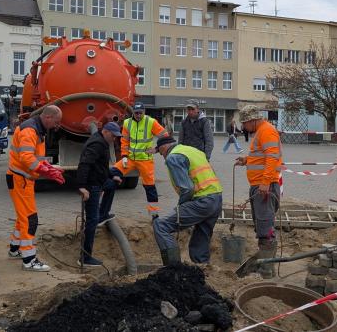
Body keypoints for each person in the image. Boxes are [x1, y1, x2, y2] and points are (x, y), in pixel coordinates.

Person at [7, 105, 65, 271]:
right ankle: (29, 260)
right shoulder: (30, 131)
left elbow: (36, 158)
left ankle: (14, 249)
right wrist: (47, 171)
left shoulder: (38, 129)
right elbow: (27, 158)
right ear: (48, 117)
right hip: (20, 180)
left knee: (22, 217)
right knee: (30, 219)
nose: (57, 126)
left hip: (21, 179)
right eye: (56, 122)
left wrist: (49, 167)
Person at [152, 136, 223, 265]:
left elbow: (187, 188)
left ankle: (173, 267)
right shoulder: (192, 150)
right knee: (200, 238)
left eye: (161, 154)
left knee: (160, 226)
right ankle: (202, 267)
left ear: (163, 148)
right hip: (216, 198)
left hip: (202, 202)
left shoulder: (173, 157)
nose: (163, 157)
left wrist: (181, 206)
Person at [234, 105, 282, 278]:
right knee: (262, 226)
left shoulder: (267, 131)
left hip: (264, 187)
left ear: (252, 120)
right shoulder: (260, 131)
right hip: (260, 185)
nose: (244, 127)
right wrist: (247, 160)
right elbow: (262, 156)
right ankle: (266, 267)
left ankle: (266, 271)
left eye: (245, 123)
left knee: (265, 228)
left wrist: (265, 182)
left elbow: (272, 157)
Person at [76, 122, 123, 267]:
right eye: (113, 136)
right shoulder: (97, 144)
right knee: (92, 220)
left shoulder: (103, 142)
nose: (114, 139)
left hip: (100, 181)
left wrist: (112, 176)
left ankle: (103, 214)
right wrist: (82, 187)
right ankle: (85, 257)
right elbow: (84, 164)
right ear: (106, 132)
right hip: (92, 186)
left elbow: (101, 165)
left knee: (112, 185)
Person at [112, 103, 169, 218]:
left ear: (144, 112)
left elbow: (165, 136)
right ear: (133, 112)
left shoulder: (150, 122)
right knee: (111, 173)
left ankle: (154, 215)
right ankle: (101, 207)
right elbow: (124, 141)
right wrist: (124, 156)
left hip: (145, 160)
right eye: (136, 113)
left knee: (149, 187)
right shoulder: (127, 123)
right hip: (130, 159)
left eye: (140, 113)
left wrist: (156, 149)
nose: (138, 115)